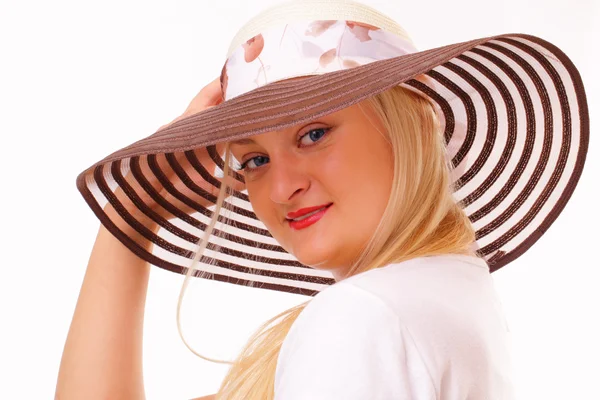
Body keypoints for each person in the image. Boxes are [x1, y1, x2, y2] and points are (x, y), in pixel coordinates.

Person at [55, 0, 589, 399]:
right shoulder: (451, 295)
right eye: (254, 161)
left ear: (415, 128)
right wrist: (133, 215)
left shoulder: (363, 319)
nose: (283, 188)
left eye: (314, 134)